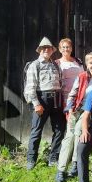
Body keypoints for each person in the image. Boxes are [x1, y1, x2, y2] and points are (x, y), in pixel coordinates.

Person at [55, 52, 92, 182]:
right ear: (87, 64)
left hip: (90, 112)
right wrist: (69, 109)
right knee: (68, 137)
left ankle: (75, 164)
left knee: (78, 132)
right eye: (91, 63)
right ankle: (61, 170)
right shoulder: (81, 77)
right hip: (77, 109)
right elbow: (72, 94)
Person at [24, 37, 66, 170]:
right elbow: (30, 87)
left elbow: (61, 83)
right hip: (42, 99)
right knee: (36, 130)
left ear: (52, 51)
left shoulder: (55, 65)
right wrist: (36, 104)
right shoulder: (34, 65)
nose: (46, 50)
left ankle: (53, 157)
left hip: (56, 100)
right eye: (44, 48)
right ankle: (31, 159)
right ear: (40, 51)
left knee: (59, 129)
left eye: (49, 48)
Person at [55, 38, 84, 107]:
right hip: (65, 95)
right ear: (60, 49)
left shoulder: (78, 61)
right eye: (63, 47)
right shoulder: (57, 63)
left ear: (71, 48)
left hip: (79, 93)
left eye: (68, 47)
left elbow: (83, 75)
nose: (66, 49)